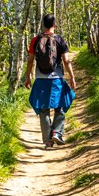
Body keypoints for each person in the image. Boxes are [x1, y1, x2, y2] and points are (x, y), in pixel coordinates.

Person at [24, 14, 76, 149]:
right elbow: (66, 60)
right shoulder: (59, 40)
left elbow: (30, 60)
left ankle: (47, 141)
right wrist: (72, 77)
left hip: (41, 80)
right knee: (61, 106)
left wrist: (28, 77)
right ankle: (57, 132)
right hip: (56, 79)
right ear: (55, 25)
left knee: (43, 109)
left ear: (43, 25)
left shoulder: (35, 40)